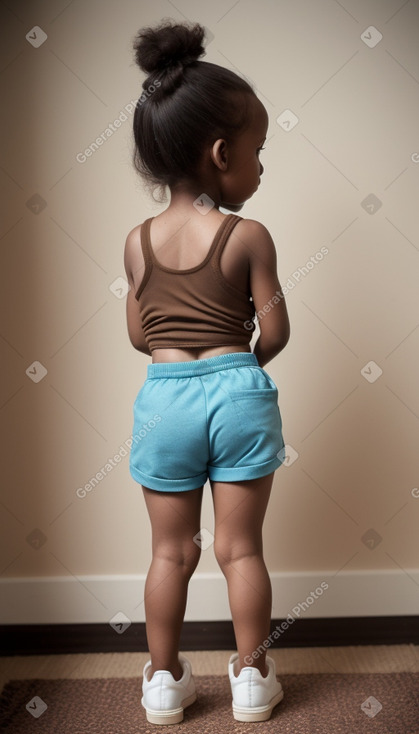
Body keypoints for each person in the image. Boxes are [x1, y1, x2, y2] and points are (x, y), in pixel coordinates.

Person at [123, 19, 290, 726]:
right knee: (238, 548)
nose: (261, 167)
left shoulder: (135, 243)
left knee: (170, 551)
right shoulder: (247, 236)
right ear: (221, 155)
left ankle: (163, 680)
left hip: (165, 399)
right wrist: (241, 368)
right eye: (258, 152)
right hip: (237, 391)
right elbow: (274, 328)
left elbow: (137, 333)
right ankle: (250, 679)